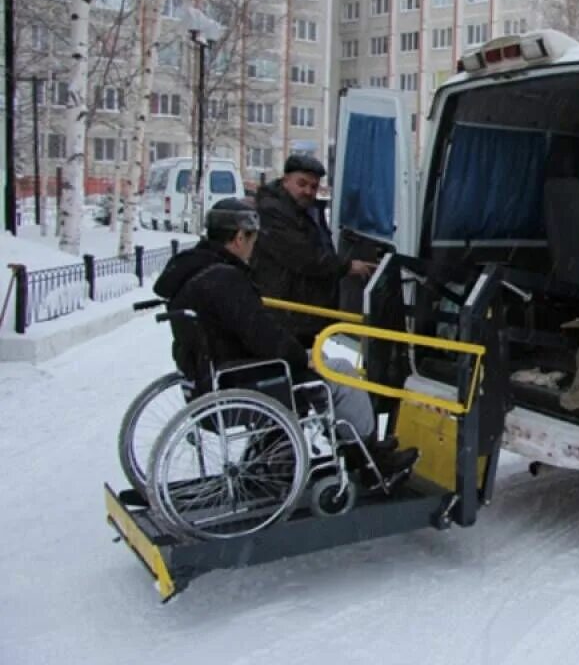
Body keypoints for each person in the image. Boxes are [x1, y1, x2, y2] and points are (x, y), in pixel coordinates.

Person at [153, 198, 417, 485]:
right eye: (253, 239)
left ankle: (353, 451)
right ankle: (370, 460)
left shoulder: (192, 272)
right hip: (245, 380)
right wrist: (302, 357)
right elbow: (264, 335)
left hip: (216, 375)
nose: (254, 249)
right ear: (240, 237)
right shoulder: (224, 279)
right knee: (341, 373)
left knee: (323, 363)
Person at [251, 154, 376, 347]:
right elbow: (303, 256)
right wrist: (346, 266)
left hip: (305, 314)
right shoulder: (272, 211)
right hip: (288, 313)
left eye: (314, 186)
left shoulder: (306, 211)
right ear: (286, 181)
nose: (308, 191)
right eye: (302, 184)